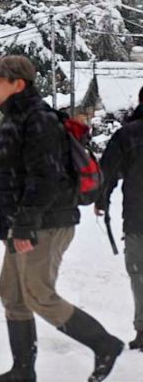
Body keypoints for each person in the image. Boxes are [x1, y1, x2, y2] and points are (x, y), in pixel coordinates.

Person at [0, 55, 123, 382]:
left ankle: (104, 344)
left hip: (45, 223)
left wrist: (25, 225)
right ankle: (22, 371)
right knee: (12, 294)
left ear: (18, 83)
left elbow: (45, 177)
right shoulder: (17, 119)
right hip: (24, 223)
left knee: (38, 294)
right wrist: (14, 225)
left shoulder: (37, 121)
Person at [95, 86, 143, 351]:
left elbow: (108, 170)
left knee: (139, 274)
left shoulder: (127, 134)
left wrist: (101, 200)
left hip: (138, 217)